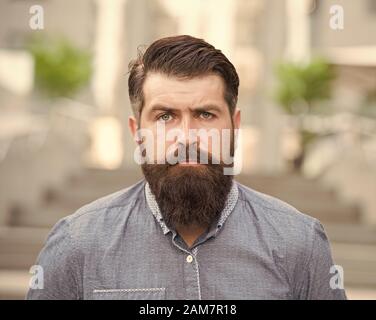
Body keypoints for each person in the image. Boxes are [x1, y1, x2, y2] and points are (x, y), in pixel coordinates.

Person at [27, 35, 346, 300]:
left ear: (234, 127)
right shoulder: (77, 244)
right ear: (136, 133)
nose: (187, 136)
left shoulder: (301, 243)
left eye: (206, 114)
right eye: (165, 116)